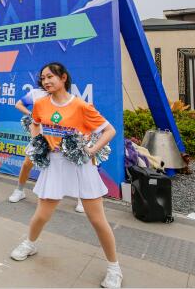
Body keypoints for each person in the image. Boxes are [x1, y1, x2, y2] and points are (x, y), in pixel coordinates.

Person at [9, 62, 121, 288]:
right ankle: (30, 244)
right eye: (43, 78)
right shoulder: (41, 104)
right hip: (54, 164)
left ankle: (114, 268)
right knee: (41, 215)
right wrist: (38, 142)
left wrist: (91, 150)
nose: (46, 81)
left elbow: (110, 131)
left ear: (63, 78)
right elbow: (35, 123)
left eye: (50, 76)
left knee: (97, 220)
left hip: (80, 166)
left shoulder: (80, 105)